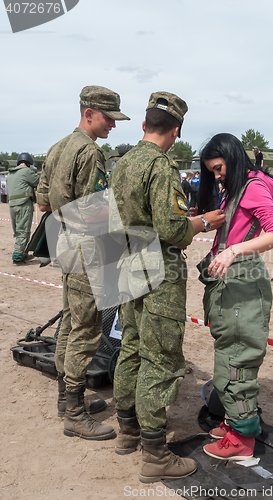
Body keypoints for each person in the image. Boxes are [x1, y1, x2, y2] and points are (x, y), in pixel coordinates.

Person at [109, 91, 225, 483]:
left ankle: (127, 430)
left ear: (144, 125)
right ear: (175, 131)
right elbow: (174, 230)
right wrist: (205, 222)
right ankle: (156, 454)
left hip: (127, 267)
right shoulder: (161, 167)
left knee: (132, 349)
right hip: (157, 273)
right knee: (161, 359)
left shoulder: (122, 162)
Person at [36, 85, 130, 440]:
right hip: (87, 248)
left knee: (72, 322)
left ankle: (66, 399)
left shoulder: (57, 147)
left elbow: (43, 203)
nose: (113, 126)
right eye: (109, 118)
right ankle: (74, 413)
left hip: (64, 243)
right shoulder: (90, 152)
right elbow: (95, 211)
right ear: (88, 113)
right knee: (88, 328)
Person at [196, 133, 273, 461]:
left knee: (236, 362)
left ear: (232, 158)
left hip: (242, 284)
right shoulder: (238, 186)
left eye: (218, 169)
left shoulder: (253, 187)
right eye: (212, 172)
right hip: (233, 284)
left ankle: (241, 440)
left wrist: (233, 250)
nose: (216, 176)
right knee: (230, 356)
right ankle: (238, 424)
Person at [7, 152, 40, 264]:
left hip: (12, 205)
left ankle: (23, 251)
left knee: (18, 230)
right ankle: (18, 255)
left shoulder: (11, 173)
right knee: (24, 230)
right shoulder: (26, 171)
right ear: (29, 163)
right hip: (23, 204)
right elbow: (38, 182)